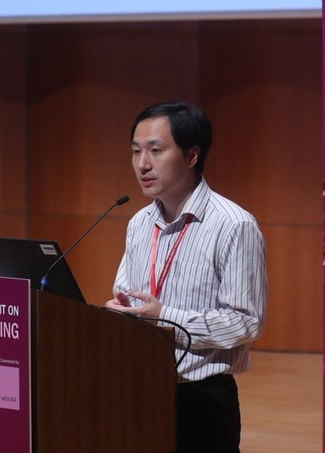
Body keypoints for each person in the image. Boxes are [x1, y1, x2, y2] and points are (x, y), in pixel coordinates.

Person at [105, 101, 267, 453]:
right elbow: (127, 295)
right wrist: (119, 311)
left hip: (201, 399)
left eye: (155, 151)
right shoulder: (138, 223)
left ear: (192, 155)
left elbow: (245, 322)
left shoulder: (234, 225)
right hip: (140, 388)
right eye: (135, 152)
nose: (142, 164)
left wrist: (164, 317)